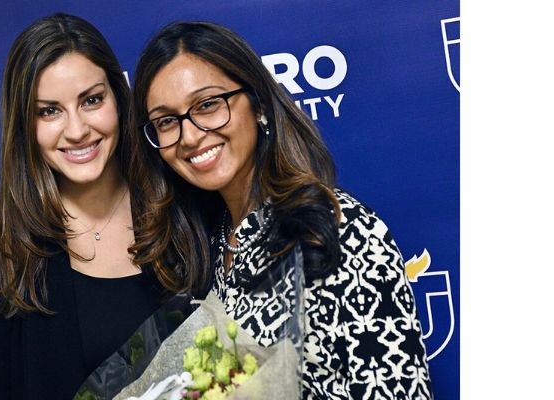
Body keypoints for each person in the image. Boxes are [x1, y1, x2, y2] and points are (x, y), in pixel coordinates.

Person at [129, 21, 433, 399]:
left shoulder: (340, 230)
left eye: (207, 104)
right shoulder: (205, 245)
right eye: (166, 121)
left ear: (257, 102)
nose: (189, 136)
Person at [0, 13, 184, 400]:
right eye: (49, 111)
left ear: (118, 99)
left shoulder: (181, 212)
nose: (76, 130)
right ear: (25, 126)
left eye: (91, 100)